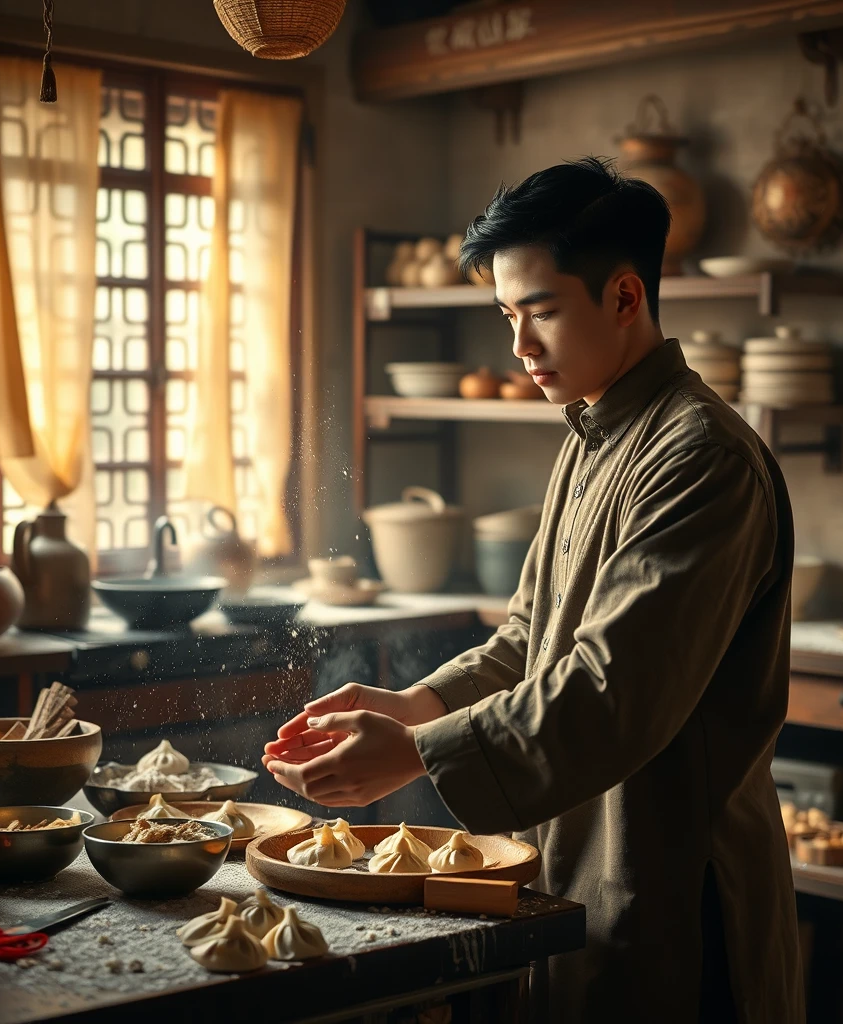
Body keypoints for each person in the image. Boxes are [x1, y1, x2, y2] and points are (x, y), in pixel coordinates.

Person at [263, 157, 804, 1023]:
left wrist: (416, 751)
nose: (518, 346)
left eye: (541, 312)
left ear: (625, 297)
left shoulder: (700, 457)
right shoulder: (590, 436)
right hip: (579, 852)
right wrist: (416, 706)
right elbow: (528, 640)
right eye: (508, 315)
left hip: (673, 884)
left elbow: (609, 689)